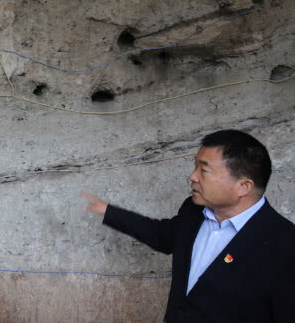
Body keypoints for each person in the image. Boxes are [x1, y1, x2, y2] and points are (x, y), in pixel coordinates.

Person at [82, 129, 295, 322]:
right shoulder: (193, 211)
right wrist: (109, 211)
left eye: (204, 170)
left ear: (243, 186)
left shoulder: (285, 245)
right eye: (195, 166)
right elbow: (162, 236)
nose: (192, 176)